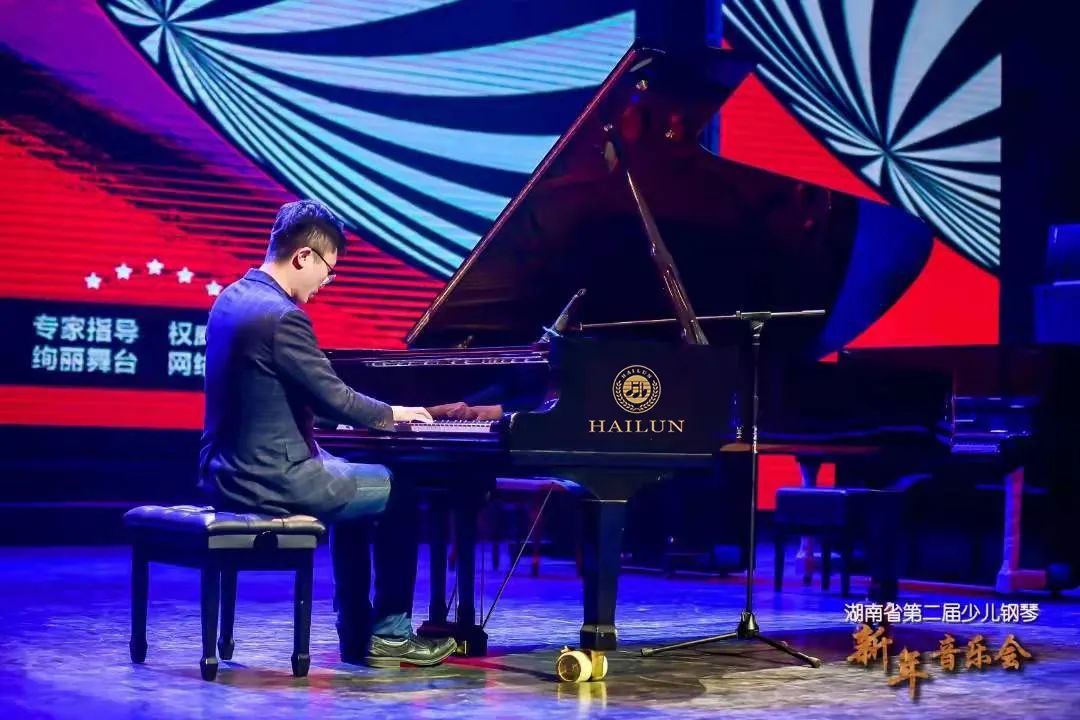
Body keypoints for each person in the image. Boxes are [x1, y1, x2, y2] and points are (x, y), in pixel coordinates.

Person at [198, 198, 458, 667]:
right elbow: (335, 398)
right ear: (303, 256)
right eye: (328, 271)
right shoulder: (283, 316)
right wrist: (398, 413)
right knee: (401, 489)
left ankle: (354, 628)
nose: (325, 283)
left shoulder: (231, 299)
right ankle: (391, 634)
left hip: (225, 472)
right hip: (272, 478)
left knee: (359, 481)